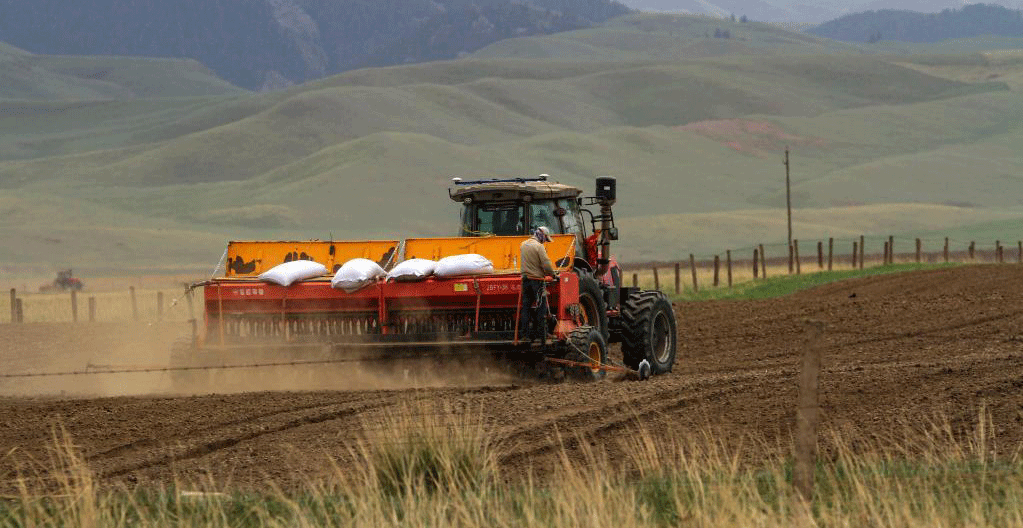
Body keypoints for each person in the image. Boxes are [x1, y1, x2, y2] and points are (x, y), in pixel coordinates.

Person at [518, 226, 557, 343]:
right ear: (542, 236)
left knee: (526, 308)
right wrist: (553, 275)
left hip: (525, 281)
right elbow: (546, 264)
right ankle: (542, 335)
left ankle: (524, 335)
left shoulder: (523, 245)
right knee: (541, 308)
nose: (545, 241)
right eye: (545, 239)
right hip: (537, 281)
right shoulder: (539, 247)